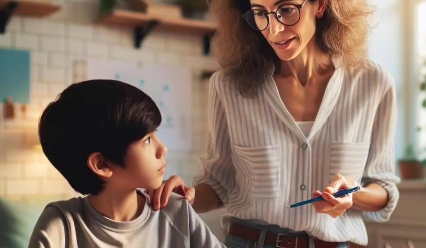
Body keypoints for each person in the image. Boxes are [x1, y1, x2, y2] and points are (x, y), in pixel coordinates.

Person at [150, 0, 401, 247]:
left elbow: (383, 188)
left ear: (321, 5)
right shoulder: (228, 86)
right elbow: (220, 183)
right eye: (260, 13)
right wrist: (188, 197)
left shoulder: (373, 83)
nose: (273, 29)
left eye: (287, 10)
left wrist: (351, 195)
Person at [28, 79, 226, 248]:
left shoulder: (175, 210)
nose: (162, 149)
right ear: (102, 164)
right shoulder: (61, 225)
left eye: (155, 134)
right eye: (147, 140)